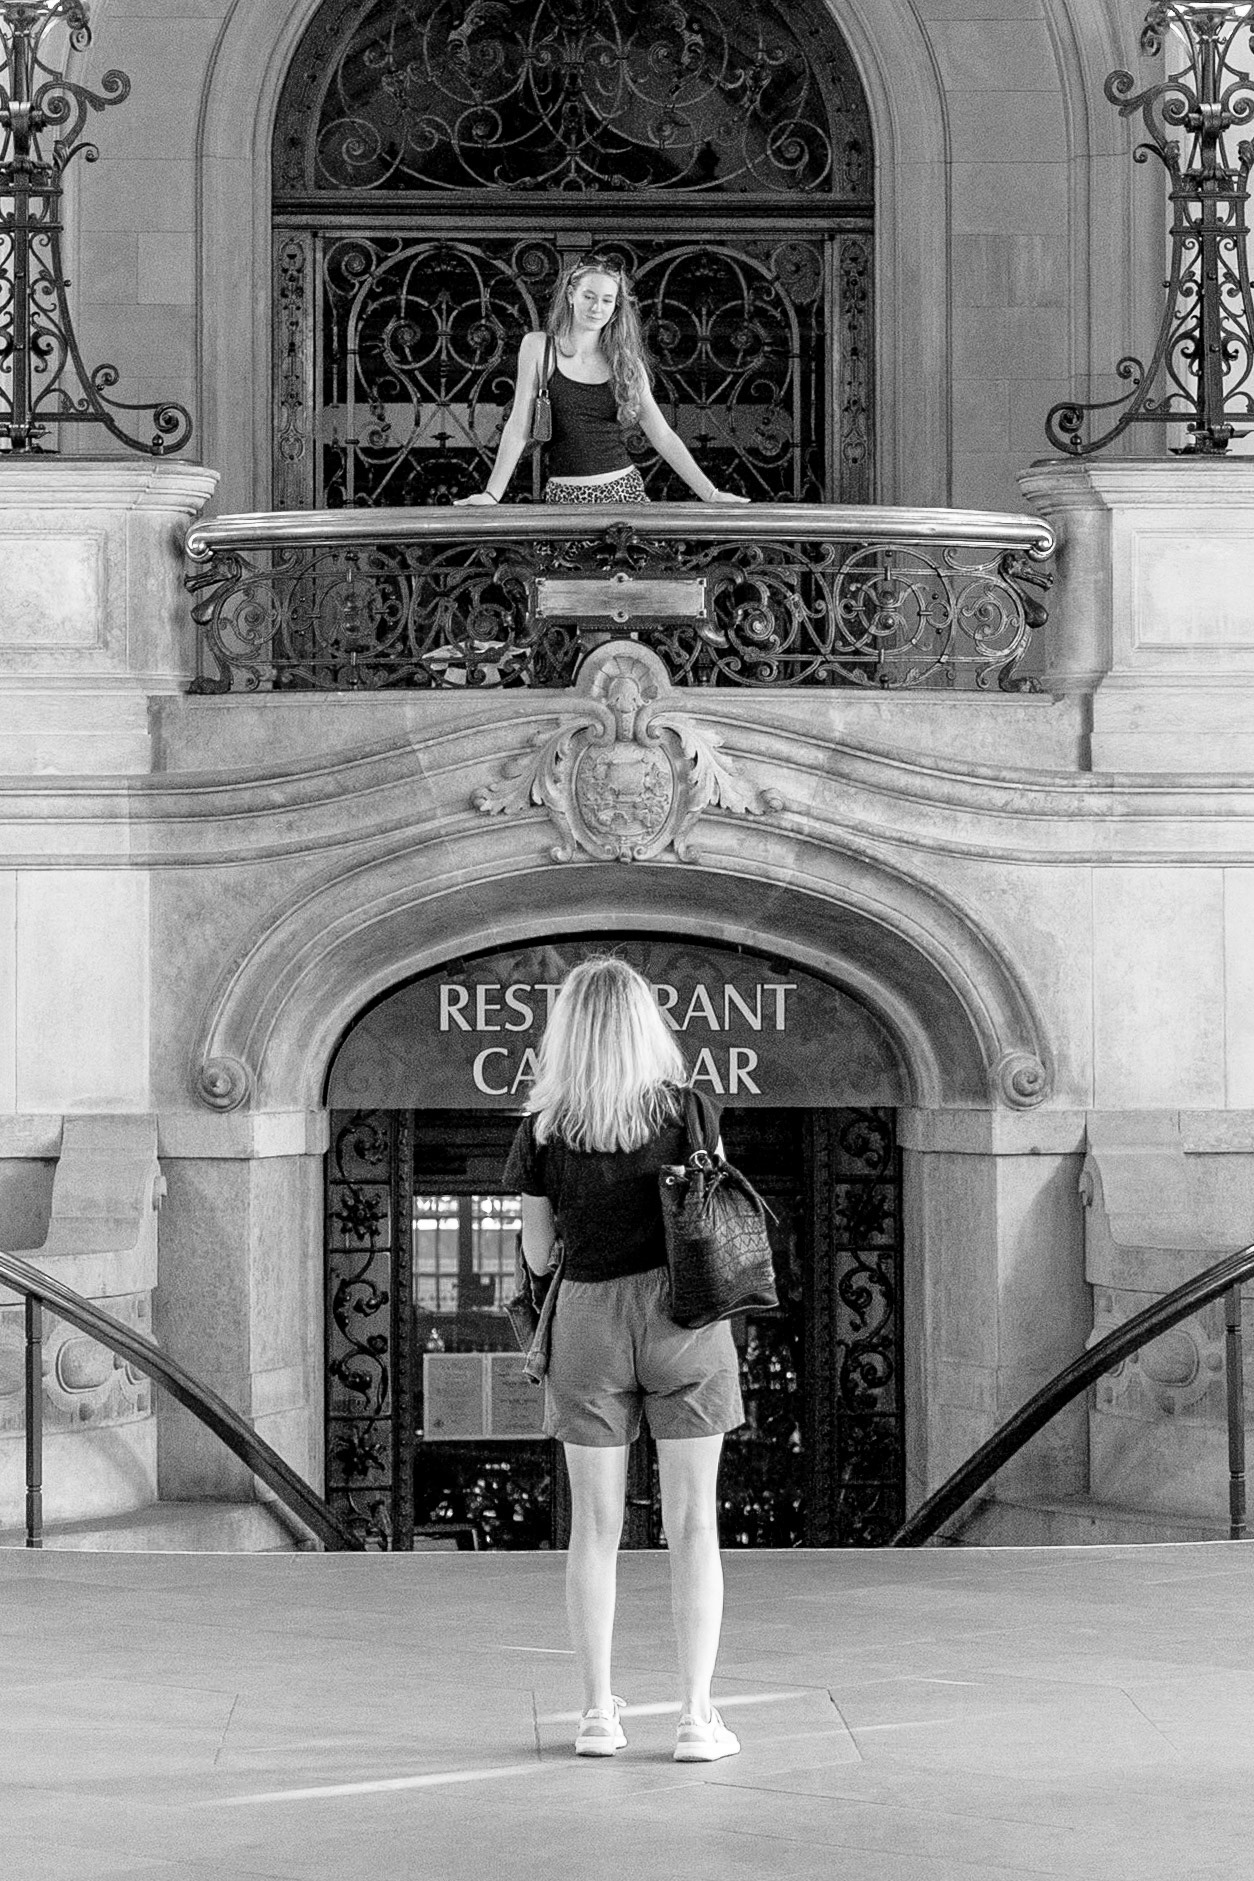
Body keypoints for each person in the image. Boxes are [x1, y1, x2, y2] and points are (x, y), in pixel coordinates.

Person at [503, 956, 745, 1762]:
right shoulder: (690, 1111)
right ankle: (696, 1717)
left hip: (588, 1320)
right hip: (684, 1316)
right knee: (693, 1524)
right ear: (647, 1026)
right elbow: (710, 1217)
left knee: (595, 1528)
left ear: (567, 1032)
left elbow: (537, 1254)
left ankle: (596, 1716)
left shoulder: (544, 1128)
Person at [454, 254, 750, 508]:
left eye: (607, 300)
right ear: (571, 295)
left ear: (616, 307)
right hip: (563, 497)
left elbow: (661, 435)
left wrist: (711, 494)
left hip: (624, 493)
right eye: (589, 296)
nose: (597, 308)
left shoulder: (626, 362)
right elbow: (518, 426)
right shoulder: (538, 347)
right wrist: (491, 494)